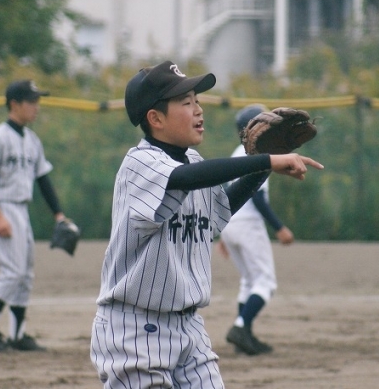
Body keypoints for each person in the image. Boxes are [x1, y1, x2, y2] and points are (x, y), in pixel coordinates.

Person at [89, 61, 323, 388]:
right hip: (136, 330)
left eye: (197, 100)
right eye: (186, 103)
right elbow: (185, 178)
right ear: (155, 119)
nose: (199, 110)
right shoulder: (139, 163)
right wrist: (265, 159)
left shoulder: (193, 162)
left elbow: (219, 211)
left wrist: (262, 168)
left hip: (190, 329)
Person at [0, 80, 69, 352]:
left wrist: (59, 215)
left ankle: (17, 335)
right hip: (0, 206)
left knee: (25, 274)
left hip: (20, 210)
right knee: (13, 271)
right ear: (14, 104)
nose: (36, 107)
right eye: (31, 101)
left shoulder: (32, 141)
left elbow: (43, 180)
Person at [217, 104, 295, 356]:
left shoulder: (236, 152)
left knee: (248, 281)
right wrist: (279, 228)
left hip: (230, 223)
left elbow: (227, 192)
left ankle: (245, 338)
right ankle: (241, 327)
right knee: (265, 282)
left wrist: (222, 233)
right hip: (248, 224)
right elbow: (258, 198)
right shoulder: (257, 154)